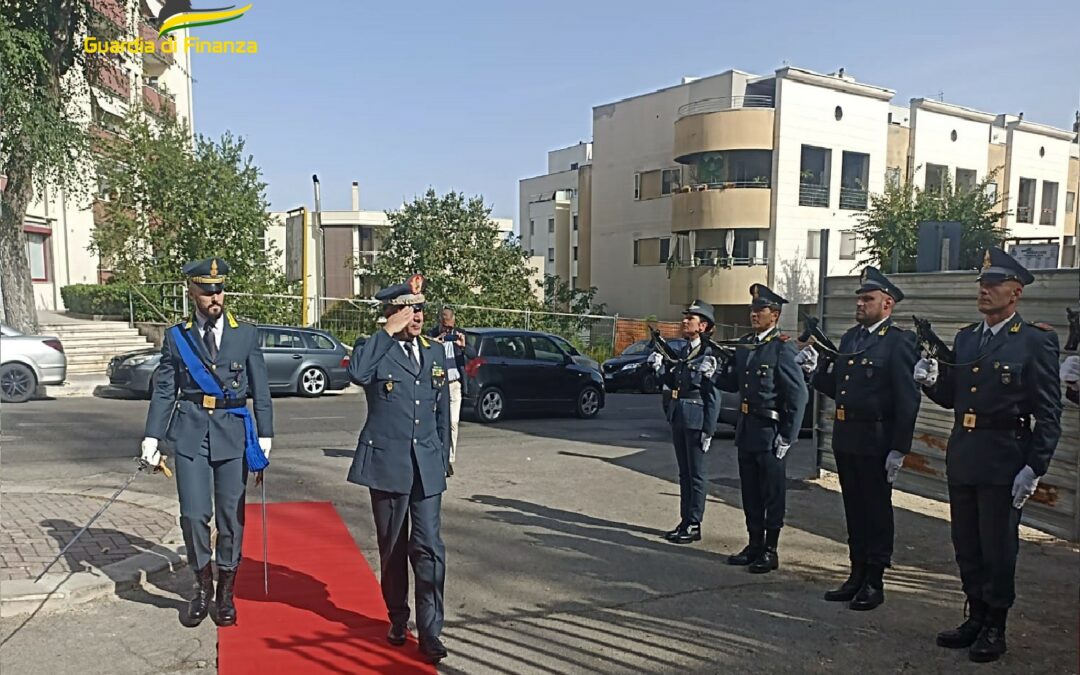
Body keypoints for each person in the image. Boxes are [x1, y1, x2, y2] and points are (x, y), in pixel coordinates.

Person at [913, 248, 1062, 663]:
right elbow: (952, 397)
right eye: (982, 283)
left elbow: (1049, 412)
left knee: (998, 547)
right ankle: (974, 616)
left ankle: (995, 625)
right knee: (966, 544)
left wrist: (1035, 467)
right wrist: (930, 381)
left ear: (1015, 293)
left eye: (994, 284)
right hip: (964, 455)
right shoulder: (966, 338)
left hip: (1004, 459)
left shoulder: (1034, 341)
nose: (984, 290)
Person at [141, 257, 273, 627]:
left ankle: (226, 593)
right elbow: (165, 390)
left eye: (219, 290)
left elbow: (261, 390)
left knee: (231, 518)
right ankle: (201, 588)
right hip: (191, 433)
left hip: (233, 432)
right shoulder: (176, 337)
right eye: (207, 291)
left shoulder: (245, 333)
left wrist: (265, 435)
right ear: (192, 292)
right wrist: (152, 436)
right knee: (195, 515)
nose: (215, 297)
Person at [798, 267, 920, 610]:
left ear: (888, 304)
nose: (860, 304)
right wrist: (814, 371)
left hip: (876, 438)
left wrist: (899, 447)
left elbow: (908, 399)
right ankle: (856, 573)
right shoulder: (851, 338)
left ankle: (874, 580)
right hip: (847, 435)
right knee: (854, 508)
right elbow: (838, 388)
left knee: (876, 510)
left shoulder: (899, 341)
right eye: (860, 298)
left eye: (868, 299)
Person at [347, 274, 451, 664]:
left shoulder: (435, 352)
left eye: (421, 307)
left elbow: (441, 411)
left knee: (429, 548)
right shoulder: (374, 349)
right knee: (392, 549)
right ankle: (397, 617)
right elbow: (356, 373)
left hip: (426, 466)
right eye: (409, 308)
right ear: (392, 312)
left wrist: (443, 458)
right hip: (388, 464)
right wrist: (386, 333)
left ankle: (431, 632)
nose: (418, 315)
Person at [715, 284, 808, 573]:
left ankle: (770, 548)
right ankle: (754, 543)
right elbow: (733, 383)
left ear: (775, 315)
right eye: (752, 310)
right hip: (747, 427)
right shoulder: (746, 345)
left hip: (770, 430)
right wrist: (715, 372)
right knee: (751, 491)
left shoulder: (782, 347)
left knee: (772, 492)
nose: (754, 315)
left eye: (760, 311)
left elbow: (798, 395)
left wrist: (788, 436)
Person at [646, 300, 722, 544]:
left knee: (696, 475)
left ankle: (694, 523)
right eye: (685, 317)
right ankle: (685, 519)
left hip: (696, 418)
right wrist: (659, 369)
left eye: (690, 318)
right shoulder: (684, 351)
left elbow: (713, 395)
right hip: (679, 415)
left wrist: (709, 429)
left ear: (703, 326)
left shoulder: (708, 353)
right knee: (684, 473)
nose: (684, 321)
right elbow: (674, 381)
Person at [427, 306, 476, 476]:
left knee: (453, 423)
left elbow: (473, 354)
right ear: (440, 323)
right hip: (438, 383)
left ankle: (449, 458)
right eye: (445, 327)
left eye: (450, 327)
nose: (448, 330)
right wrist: (435, 343)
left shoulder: (460, 334)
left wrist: (462, 347)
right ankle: (436, 455)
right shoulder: (432, 334)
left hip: (455, 384)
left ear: (454, 322)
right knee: (437, 422)